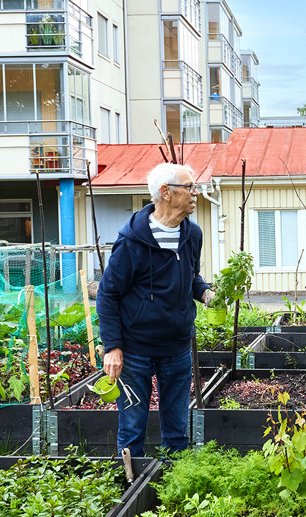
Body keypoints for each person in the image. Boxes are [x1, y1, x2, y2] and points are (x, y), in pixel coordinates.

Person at [96, 163, 215, 457]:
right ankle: (131, 479)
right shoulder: (131, 243)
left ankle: (174, 480)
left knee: (177, 430)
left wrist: (205, 293)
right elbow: (108, 294)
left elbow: (191, 276)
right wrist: (112, 347)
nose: (195, 193)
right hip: (136, 349)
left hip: (177, 348)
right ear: (166, 192)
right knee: (132, 427)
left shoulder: (193, 234)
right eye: (189, 187)